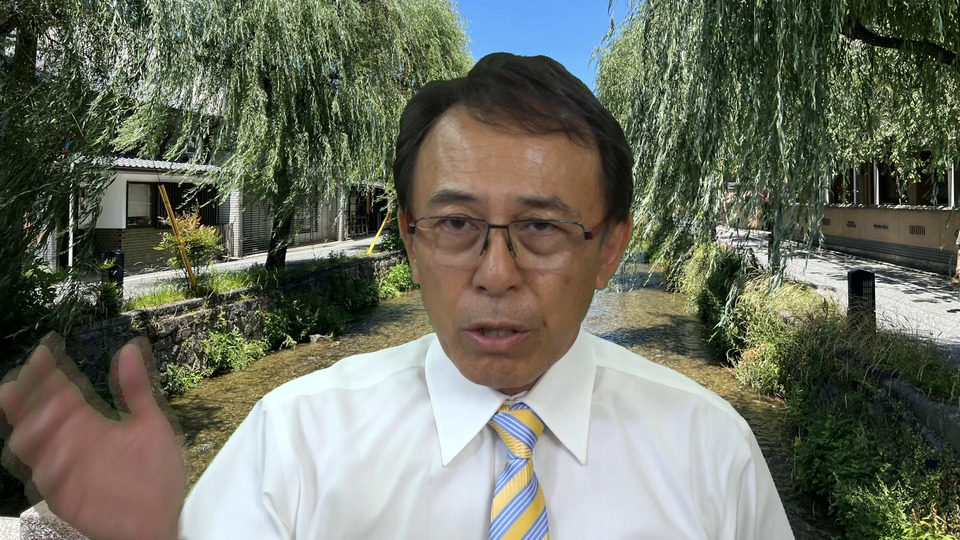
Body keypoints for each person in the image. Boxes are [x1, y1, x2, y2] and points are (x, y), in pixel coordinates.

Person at [0, 53, 793, 539]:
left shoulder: (711, 454)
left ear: (610, 249)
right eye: (456, 224)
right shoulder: (296, 442)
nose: (495, 272)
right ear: (411, 241)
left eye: (542, 229)